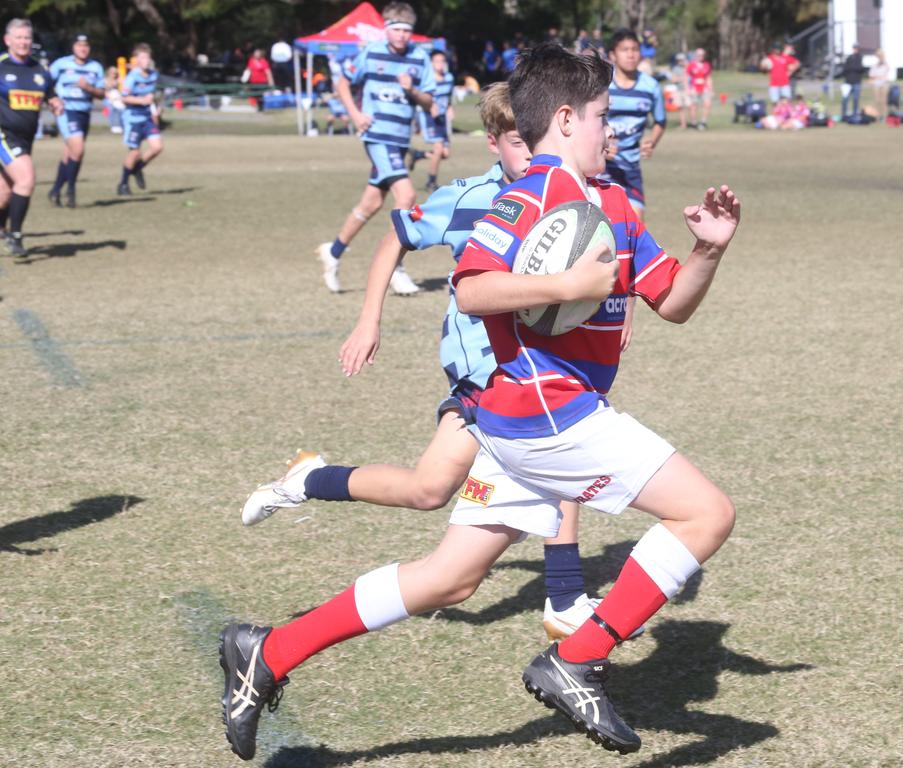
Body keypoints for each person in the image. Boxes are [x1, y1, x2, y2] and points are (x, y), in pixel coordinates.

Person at [219, 42, 739, 761]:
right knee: (707, 512)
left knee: (450, 579)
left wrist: (708, 251)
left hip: (522, 425)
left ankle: (266, 651)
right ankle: (577, 658)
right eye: (599, 117)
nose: (611, 131)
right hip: (546, 414)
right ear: (562, 120)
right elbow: (471, 287)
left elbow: (672, 302)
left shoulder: (615, 203)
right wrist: (566, 288)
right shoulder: (527, 197)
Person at [243, 82, 628, 646]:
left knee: (540, 461)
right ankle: (310, 479)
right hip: (482, 380)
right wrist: (368, 319)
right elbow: (395, 237)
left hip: (536, 377)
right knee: (432, 491)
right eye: (520, 144)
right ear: (494, 142)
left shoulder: (571, 202)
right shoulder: (470, 199)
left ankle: (564, 597)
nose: (533, 156)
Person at [315, 2, 436, 297]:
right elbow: (343, 83)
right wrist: (356, 115)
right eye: (396, 29)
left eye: (407, 31)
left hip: (400, 139)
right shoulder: (371, 52)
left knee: (371, 203)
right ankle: (396, 267)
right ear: (386, 29)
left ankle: (333, 251)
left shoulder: (420, 58)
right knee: (406, 195)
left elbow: (429, 102)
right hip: (377, 136)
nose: (402, 36)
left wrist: (412, 91)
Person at [0, 19, 63, 258]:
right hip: (3, 135)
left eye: (27, 37)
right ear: (8, 40)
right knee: (26, 179)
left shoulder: (40, 70)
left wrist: (56, 104)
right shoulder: (1, 66)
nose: (24, 42)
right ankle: (15, 237)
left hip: (25, 139)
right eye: (19, 37)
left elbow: (51, 95)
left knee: (5, 193)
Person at [601, 29, 666, 221]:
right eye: (624, 49)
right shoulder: (602, 86)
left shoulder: (651, 86)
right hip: (602, 168)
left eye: (635, 49)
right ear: (612, 54)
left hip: (631, 168)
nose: (631, 54)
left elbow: (660, 122)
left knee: (636, 228)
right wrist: (601, 146)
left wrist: (652, 141)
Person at [47, 34, 105, 208]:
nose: (83, 48)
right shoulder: (61, 64)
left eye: (86, 45)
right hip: (67, 111)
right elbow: (45, 84)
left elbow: (102, 93)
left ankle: (55, 190)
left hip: (84, 113)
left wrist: (88, 88)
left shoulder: (96, 67)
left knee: (71, 153)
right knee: (78, 149)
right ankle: (70, 190)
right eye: (79, 45)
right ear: (73, 47)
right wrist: (53, 100)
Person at [117, 43, 162, 196]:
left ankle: (137, 169)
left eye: (147, 57)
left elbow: (153, 94)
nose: (146, 60)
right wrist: (142, 100)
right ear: (136, 60)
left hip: (147, 117)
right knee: (135, 152)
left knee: (157, 147)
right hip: (132, 118)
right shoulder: (132, 77)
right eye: (142, 57)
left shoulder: (153, 75)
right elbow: (124, 98)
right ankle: (123, 184)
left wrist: (156, 104)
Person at [410, 49, 454, 192]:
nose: (440, 64)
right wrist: (429, 105)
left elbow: (448, 97)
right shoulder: (428, 81)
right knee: (438, 148)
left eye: (442, 61)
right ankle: (431, 182)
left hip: (441, 118)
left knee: (445, 154)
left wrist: (449, 108)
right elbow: (420, 97)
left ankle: (418, 154)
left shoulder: (449, 78)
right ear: (431, 63)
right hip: (428, 116)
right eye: (437, 61)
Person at [685, 47, 713, 130]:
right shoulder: (691, 65)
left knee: (707, 104)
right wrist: (688, 89)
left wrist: (711, 88)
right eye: (699, 55)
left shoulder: (707, 65)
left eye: (702, 55)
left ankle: (703, 122)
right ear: (695, 55)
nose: (701, 56)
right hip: (694, 87)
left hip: (704, 87)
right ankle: (694, 123)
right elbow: (686, 77)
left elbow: (708, 77)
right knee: (693, 106)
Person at [840, 44, 866, 120]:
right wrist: (852, 68)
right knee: (845, 99)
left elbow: (860, 68)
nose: (855, 50)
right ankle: (844, 115)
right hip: (848, 82)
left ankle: (855, 114)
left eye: (856, 48)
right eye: (854, 48)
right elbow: (845, 69)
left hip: (856, 82)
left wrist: (852, 68)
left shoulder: (860, 57)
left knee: (855, 99)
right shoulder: (849, 58)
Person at [868, 49, 890, 116]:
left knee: (884, 101)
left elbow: (886, 73)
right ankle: (877, 115)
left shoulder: (885, 65)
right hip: (876, 85)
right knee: (877, 101)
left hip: (884, 84)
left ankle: (884, 116)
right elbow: (871, 76)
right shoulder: (874, 66)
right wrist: (877, 78)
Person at [103, 66, 124, 133]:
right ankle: (113, 126)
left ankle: (121, 126)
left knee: (122, 109)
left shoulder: (118, 80)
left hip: (117, 98)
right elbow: (104, 92)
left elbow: (123, 90)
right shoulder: (104, 80)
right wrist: (111, 99)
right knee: (110, 107)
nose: (114, 74)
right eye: (112, 73)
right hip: (108, 99)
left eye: (115, 73)